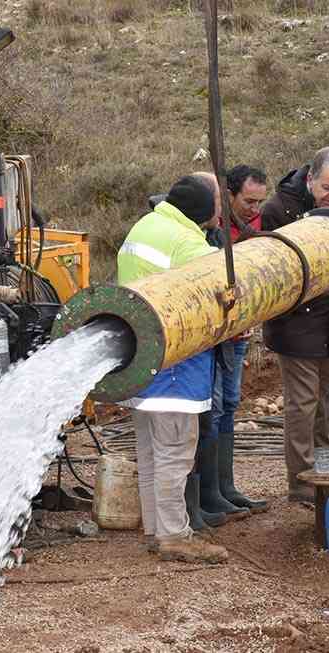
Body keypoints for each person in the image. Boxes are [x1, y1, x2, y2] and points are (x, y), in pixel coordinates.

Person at [118, 174, 228, 563]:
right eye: (218, 201)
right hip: (175, 364)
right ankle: (173, 535)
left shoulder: (147, 225)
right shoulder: (188, 244)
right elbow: (224, 293)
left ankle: (156, 527)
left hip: (139, 359)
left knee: (150, 451)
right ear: (202, 208)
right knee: (175, 451)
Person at [261, 147, 329, 503]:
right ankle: (302, 482)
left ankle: (323, 469)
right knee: (302, 405)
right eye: (327, 188)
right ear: (310, 180)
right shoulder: (278, 210)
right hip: (295, 323)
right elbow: (270, 269)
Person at [209, 165, 269, 513]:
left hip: (243, 329)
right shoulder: (214, 230)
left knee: (231, 404)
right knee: (215, 409)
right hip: (218, 334)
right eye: (248, 201)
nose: (254, 209)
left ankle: (226, 486)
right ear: (228, 195)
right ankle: (212, 490)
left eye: (260, 202)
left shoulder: (259, 225)